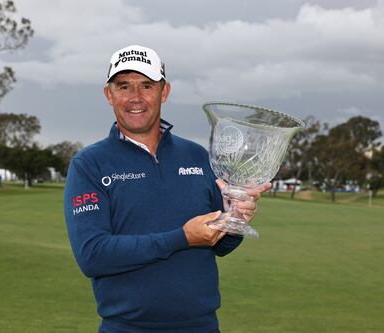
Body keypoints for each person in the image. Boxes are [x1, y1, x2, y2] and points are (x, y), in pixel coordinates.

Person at [64, 45, 270, 333]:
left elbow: (220, 244)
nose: (135, 98)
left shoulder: (198, 156)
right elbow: (93, 255)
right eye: (124, 86)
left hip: (202, 327)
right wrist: (182, 238)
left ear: (165, 92)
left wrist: (235, 219)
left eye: (147, 85)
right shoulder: (89, 164)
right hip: (126, 328)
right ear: (109, 95)